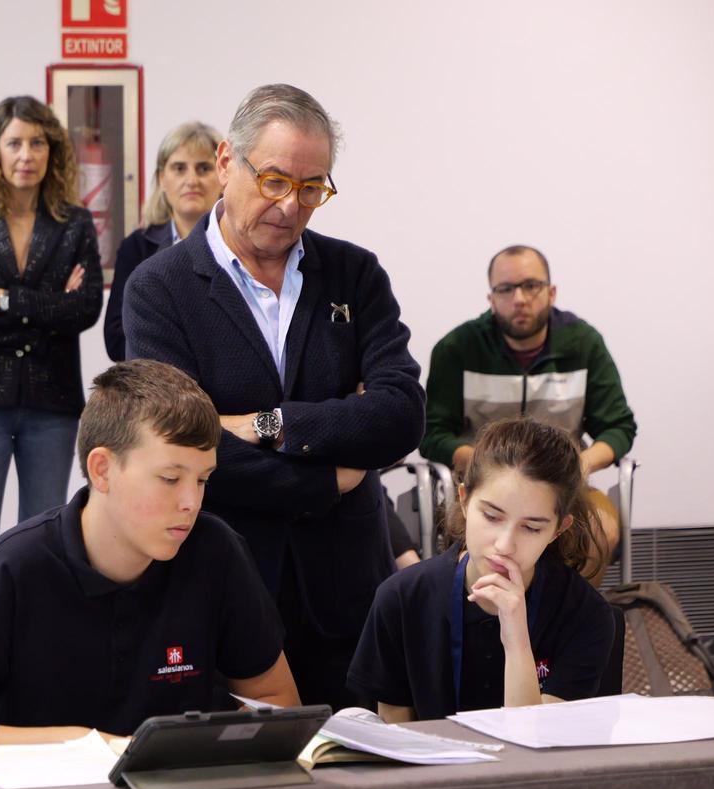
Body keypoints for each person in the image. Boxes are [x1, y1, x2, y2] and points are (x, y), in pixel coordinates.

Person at [124, 84, 425, 709]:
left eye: (311, 189)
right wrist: (328, 477)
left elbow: (400, 416)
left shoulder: (355, 274)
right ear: (227, 161)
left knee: (357, 778)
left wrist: (268, 424)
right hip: (221, 579)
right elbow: (180, 446)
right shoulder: (158, 289)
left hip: (345, 589)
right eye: (274, 180)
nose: (290, 205)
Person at [0, 359, 300, 742]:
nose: (191, 502)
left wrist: (193, 747)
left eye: (202, 480)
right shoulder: (12, 568)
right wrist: (81, 744)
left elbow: (279, 703)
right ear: (102, 470)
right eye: (170, 478)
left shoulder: (217, 553)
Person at [0, 95, 103, 603]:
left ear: (52, 151)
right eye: (14, 143)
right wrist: (46, 306)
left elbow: (85, 310)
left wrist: (2, 299)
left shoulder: (74, 223)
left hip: (51, 405)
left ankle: (36, 663)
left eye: (37, 142)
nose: (25, 154)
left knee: (43, 542)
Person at [347, 418, 616, 723]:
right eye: (491, 516)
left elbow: (538, 747)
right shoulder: (402, 598)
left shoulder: (585, 614)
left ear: (558, 529)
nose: (504, 544)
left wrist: (516, 639)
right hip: (431, 768)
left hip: (530, 768)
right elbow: (397, 741)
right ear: (464, 500)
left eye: (530, 527)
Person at [419, 244, 637, 584]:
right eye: (506, 289)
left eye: (531, 286)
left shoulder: (584, 343)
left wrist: (582, 464)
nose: (519, 298)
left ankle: (571, 627)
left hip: (565, 485)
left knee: (599, 531)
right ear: (491, 299)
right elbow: (432, 435)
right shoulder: (457, 349)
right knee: (473, 539)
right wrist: (482, 463)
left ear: (550, 292)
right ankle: (485, 626)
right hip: (483, 488)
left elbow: (619, 427)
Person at [103, 121, 222, 361]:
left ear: (224, 175)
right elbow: (116, 340)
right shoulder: (136, 248)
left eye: (203, 168)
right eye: (179, 168)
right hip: (158, 393)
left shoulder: (242, 247)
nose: (191, 180)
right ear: (161, 179)